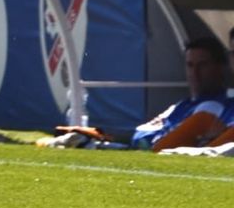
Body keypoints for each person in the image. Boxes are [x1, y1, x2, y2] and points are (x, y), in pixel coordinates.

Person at [50, 38, 231, 150]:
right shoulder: (185, 104)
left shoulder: (213, 107)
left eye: (202, 65)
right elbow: (143, 132)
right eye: (190, 65)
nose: (194, 73)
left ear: (221, 67)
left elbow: (159, 146)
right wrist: (98, 133)